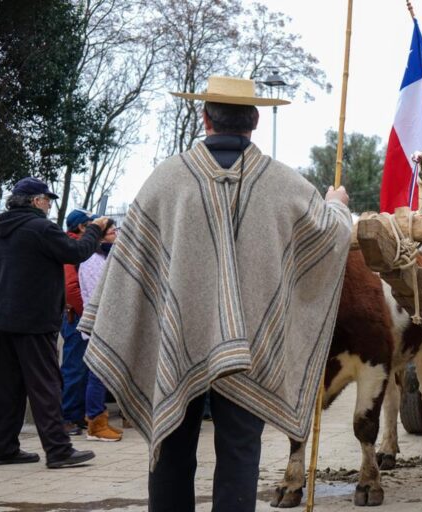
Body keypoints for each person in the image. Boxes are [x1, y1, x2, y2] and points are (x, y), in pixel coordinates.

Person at [78, 76, 352, 511]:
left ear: (204, 119)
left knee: (170, 447)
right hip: (252, 351)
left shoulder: (165, 180)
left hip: (176, 340)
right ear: (256, 121)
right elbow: (332, 236)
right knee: (241, 451)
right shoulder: (285, 184)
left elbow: (131, 257)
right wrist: (337, 203)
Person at [0, 177, 106, 468]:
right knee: (46, 384)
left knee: (8, 386)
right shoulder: (41, 228)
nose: (49, 204)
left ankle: (3, 447)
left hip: (1, 318)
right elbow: (76, 253)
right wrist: (95, 229)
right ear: (35, 201)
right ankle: (59, 450)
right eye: (47, 199)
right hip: (34, 320)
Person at [78, 221, 122, 442]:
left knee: (102, 373)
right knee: (97, 373)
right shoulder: (92, 261)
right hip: (99, 323)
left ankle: (99, 420)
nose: (116, 233)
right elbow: (100, 294)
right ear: (101, 236)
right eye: (112, 230)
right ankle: (95, 422)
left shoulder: (103, 257)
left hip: (108, 322)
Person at [60, 209, 99, 436]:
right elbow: (71, 288)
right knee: (74, 367)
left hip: (83, 316)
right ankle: (68, 416)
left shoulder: (83, 248)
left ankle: (79, 414)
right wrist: (88, 314)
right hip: (77, 317)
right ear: (81, 227)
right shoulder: (71, 249)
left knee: (84, 367)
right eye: (91, 225)